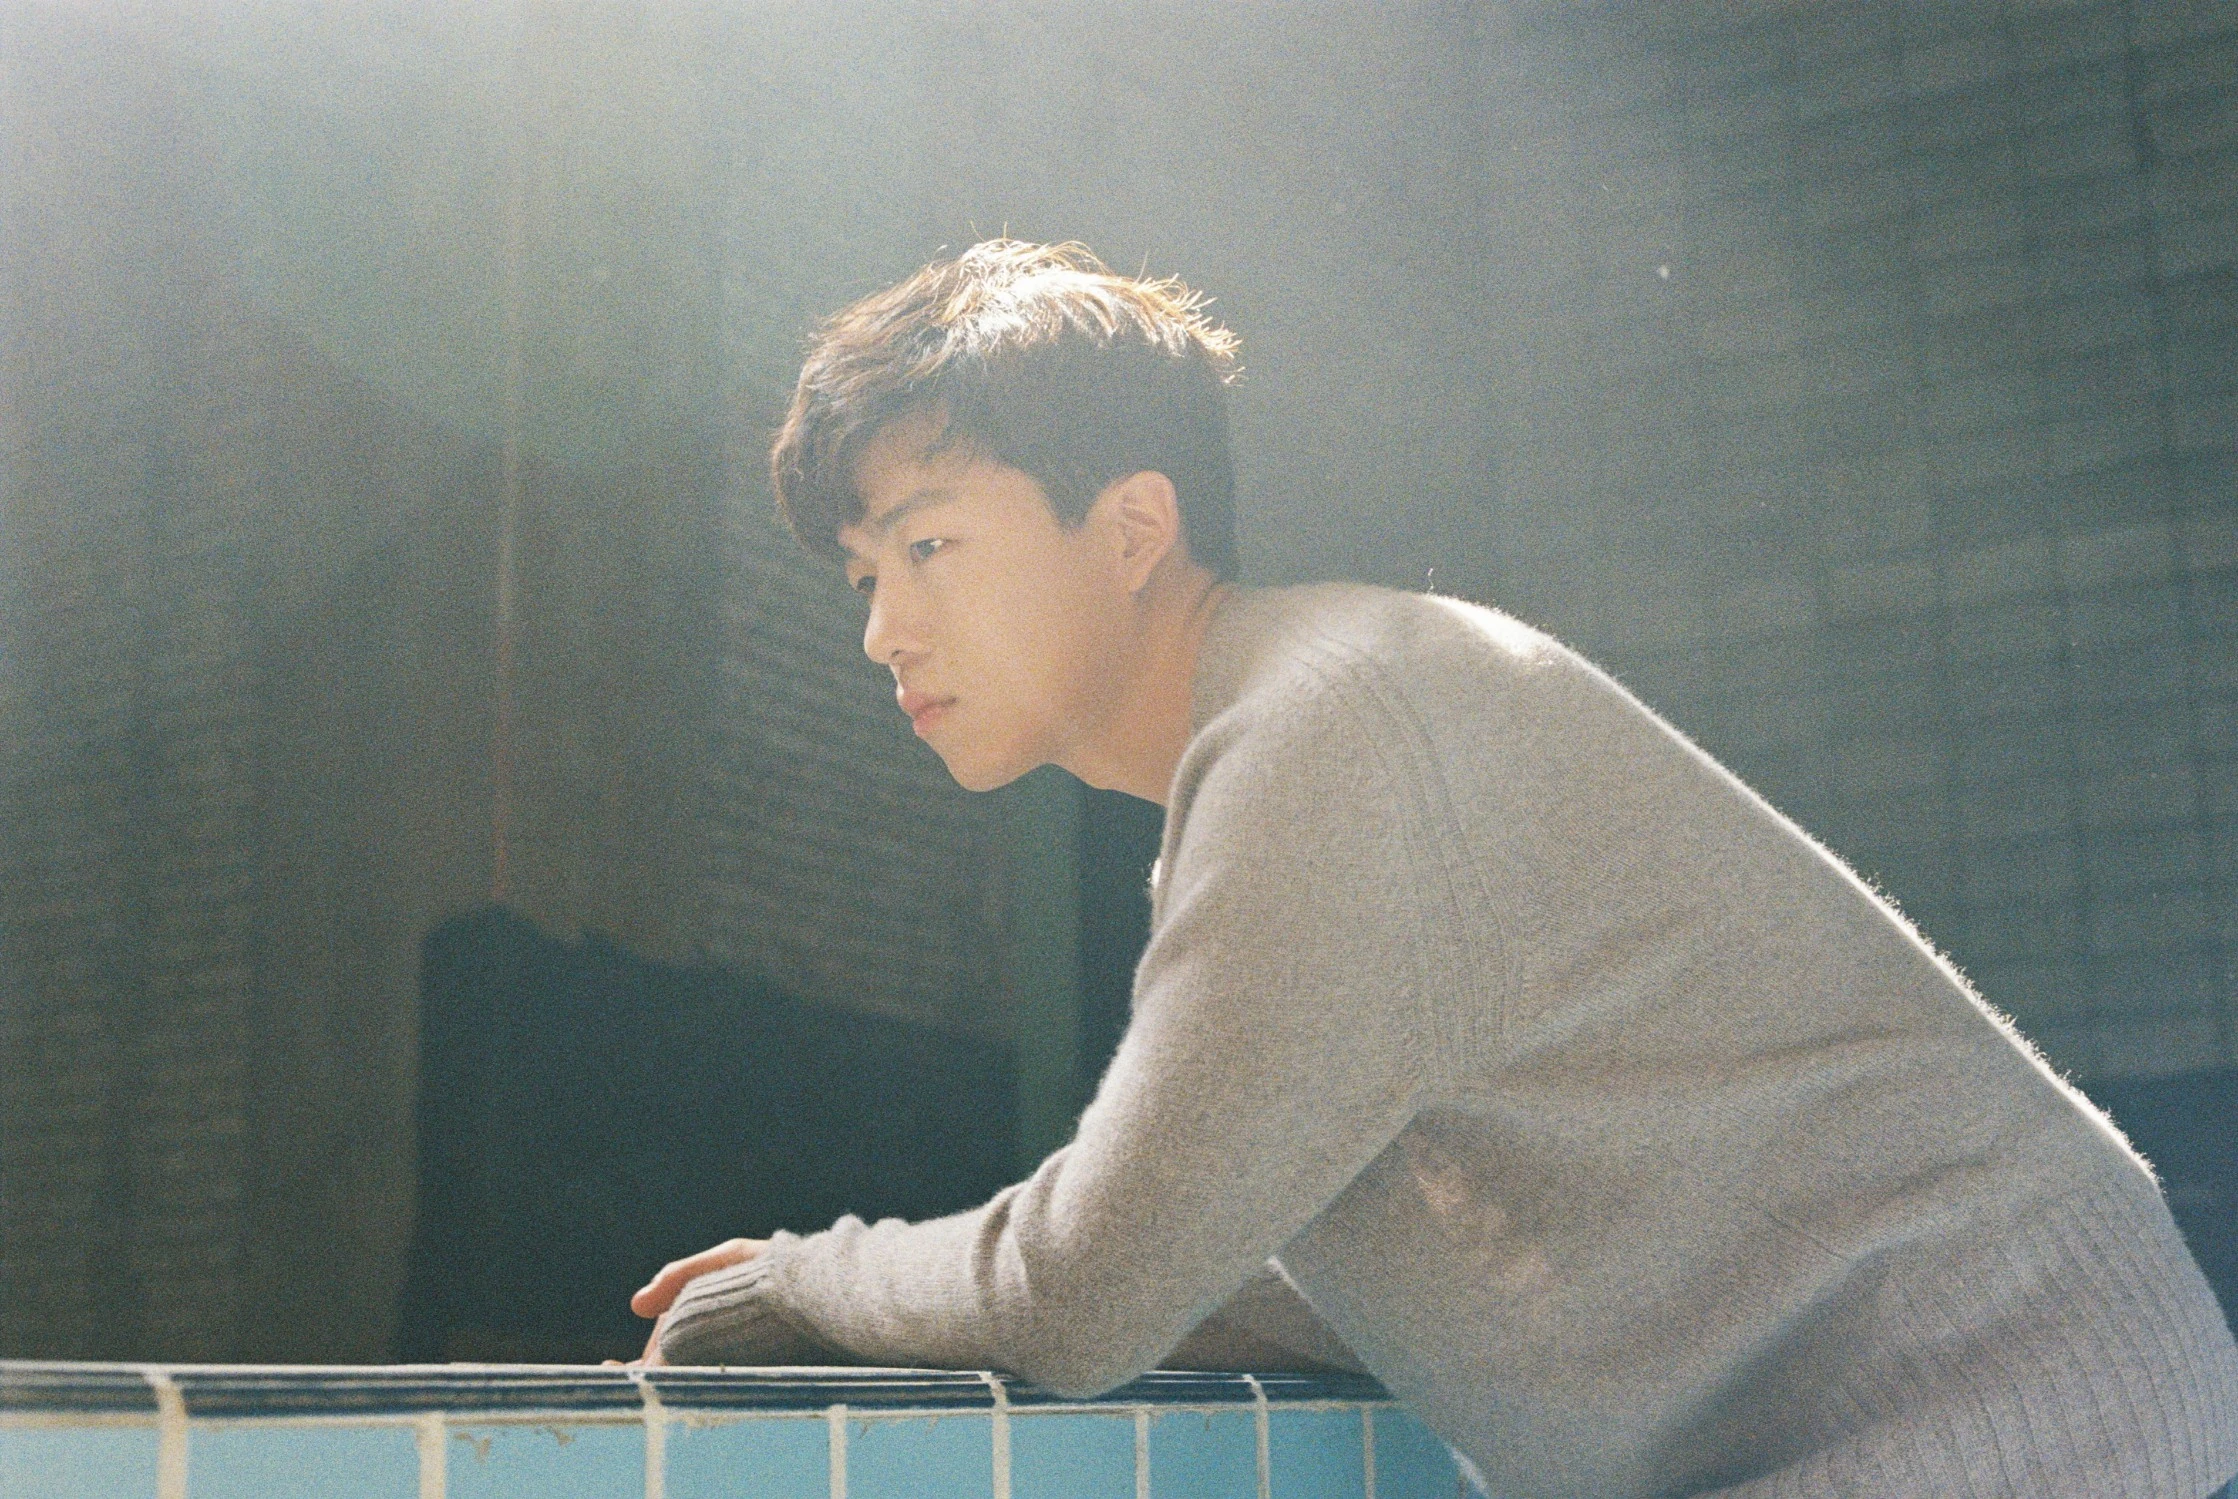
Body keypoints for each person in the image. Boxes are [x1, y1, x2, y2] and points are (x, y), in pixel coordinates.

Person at [626, 240, 2238, 1498]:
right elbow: (1255, 1260)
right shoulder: (1296, 739)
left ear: (1127, 530)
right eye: (863, 574)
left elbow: (1084, 1290)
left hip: (2002, 1417)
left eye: (926, 546)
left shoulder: (1330, 731)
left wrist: (811, 1277)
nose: (884, 630)